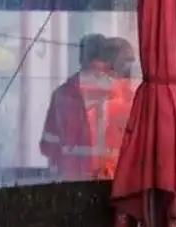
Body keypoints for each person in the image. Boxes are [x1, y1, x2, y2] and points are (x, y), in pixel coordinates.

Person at [39, 34, 129, 180]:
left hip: (71, 185)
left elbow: (48, 146)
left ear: (81, 58)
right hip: (113, 183)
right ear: (108, 60)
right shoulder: (126, 97)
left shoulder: (61, 95)